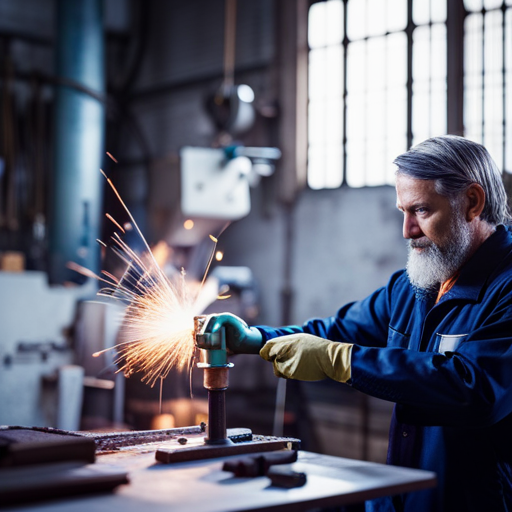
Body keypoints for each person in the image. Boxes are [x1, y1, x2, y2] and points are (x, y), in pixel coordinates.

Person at [202, 135, 512, 512]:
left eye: (421, 211)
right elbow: (339, 331)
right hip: (403, 494)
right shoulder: (413, 286)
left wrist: (342, 361)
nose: (407, 230)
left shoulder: (505, 288)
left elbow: (475, 388)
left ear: (472, 202)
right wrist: (255, 338)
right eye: (403, 211)